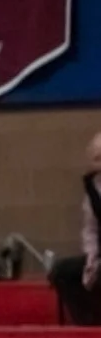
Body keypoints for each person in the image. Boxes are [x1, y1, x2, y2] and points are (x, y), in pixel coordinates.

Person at [49, 129, 101, 327]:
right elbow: (91, 230)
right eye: (95, 158)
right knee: (62, 272)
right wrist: (91, 259)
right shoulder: (93, 187)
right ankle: (88, 321)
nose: (97, 162)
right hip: (99, 254)